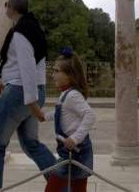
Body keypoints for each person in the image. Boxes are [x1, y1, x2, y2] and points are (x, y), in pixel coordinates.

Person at [0, 0, 56, 192]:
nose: (5, 7)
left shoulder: (21, 32)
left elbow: (27, 66)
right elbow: (23, 65)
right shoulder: (33, 27)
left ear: (11, 8)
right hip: (32, 89)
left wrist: (30, 101)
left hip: (22, 93)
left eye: (6, 4)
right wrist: (6, 79)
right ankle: (63, 184)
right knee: (31, 144)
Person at [43, 48, 96, 192]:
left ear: (70, 75)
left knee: (55, 187)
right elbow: (61, 111)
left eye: (56, 71)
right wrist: (46, 116)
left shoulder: (72, 95)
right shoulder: (65, 94)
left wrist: (75, 138)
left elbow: (89, 115)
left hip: (77, 150)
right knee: (76, 187)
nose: (52, 74)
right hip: (69, 150)